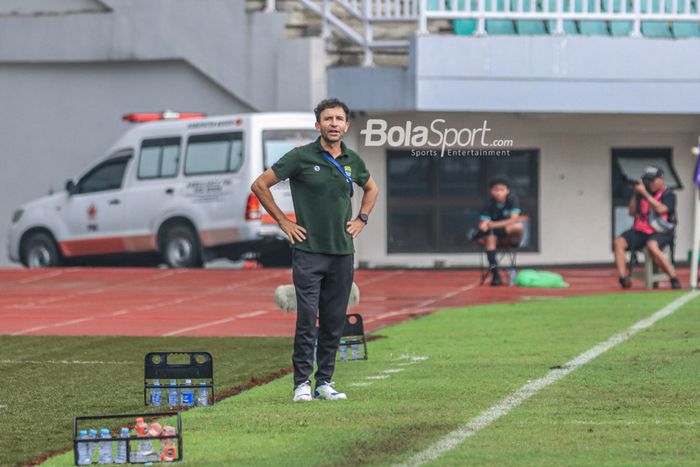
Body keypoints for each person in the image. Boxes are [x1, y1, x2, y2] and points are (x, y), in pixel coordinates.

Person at [251, 98, 379, 402]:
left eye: (339, 119)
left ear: (346, 125)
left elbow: (371, 188)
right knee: (307, 319)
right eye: (328, 118)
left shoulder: (353, 160)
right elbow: (259, 185)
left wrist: (361, 218)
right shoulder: (300, 156)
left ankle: (324, 382)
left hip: (342, 252)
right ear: (317, 125)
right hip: (308, 252)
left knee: (334, 320)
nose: (334, 123)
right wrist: (283, 222)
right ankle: (301, 385)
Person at [613, 166, 680, 289]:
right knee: (618, 242)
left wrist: (645, 193)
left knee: (652, 246)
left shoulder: (669, 194)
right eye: (648, 180)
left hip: (661, 231)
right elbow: (632, 212)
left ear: (661, 179)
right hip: (641, 231)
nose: (650, 184)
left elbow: (661, 209)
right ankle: (623, 278)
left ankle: (673, 278)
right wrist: (636, 194)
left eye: (653, 180)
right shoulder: (641, 194)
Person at [474, 178, 524, 286]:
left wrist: (495, 224)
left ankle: (515, 242)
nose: (498, 193)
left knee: (518, 226)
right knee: (489, 239)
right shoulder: (487, 203)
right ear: (491, 191)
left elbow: (514, 219)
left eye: (501, 190)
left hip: (507, 231)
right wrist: (483, 225)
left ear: (507, 191)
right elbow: (484, 222)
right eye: (495, 190)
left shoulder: (512, 200)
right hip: (493, 233)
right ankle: (495, 275)